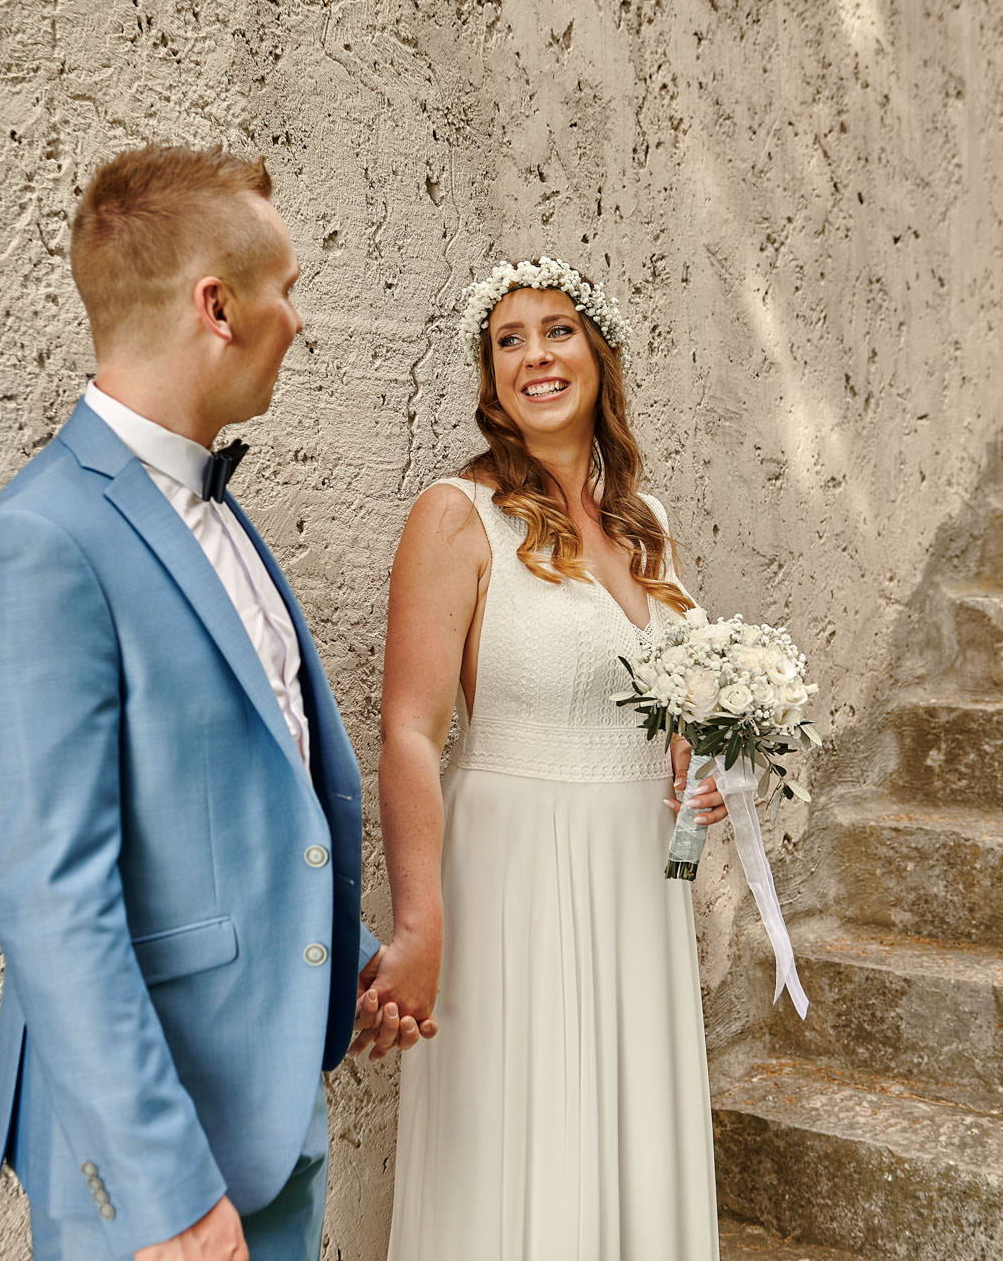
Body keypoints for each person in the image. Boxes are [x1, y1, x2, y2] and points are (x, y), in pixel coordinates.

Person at [0, 144, 426, 1261]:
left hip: (271, 1113)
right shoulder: (38, 544)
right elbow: (53, 898)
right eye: (288, 289)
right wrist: (164, 1187)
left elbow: (233, 797)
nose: (299, 321)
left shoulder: (211, 506)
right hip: (162, 1169)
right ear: (218, 305)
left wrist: (340, 956)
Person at [369, 258, 727, 1259]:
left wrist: (705, 779)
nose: (536, 354)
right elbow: (408, 727)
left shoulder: (645, 526)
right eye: (509, 338)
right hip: (515, 868)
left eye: (557, 328)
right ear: (490, 380)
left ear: (598, 353)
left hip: (639, 874)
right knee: (523, 1127)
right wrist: (418, 919)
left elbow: (676, 715)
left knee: (627, 1124)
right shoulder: (457, 513)